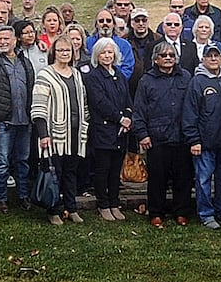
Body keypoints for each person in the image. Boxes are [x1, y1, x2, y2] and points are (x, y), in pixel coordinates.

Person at [133, 41, 193, 228]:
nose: (168, 58)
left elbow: (192, 106)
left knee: (183, 178)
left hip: (182, 136)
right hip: (157, 138)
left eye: (171, 55)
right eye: (164, 55)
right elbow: (139, 110)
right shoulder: (147, 80)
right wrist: (142, 134)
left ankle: (181, 212)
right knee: (157, 179)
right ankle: (156, 212)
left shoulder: (186, 77)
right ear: (155, 59)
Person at [32, 36, 90, 225]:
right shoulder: (45, 74)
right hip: (54, 134)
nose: (64, 53)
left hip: (75, 134)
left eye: (68, 50)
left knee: (71, 172)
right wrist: (43, 134)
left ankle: (71, 208)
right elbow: (38, 107)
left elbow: (83, 102)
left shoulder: (76, 74)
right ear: (53, 53)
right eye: (60, 50)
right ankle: (54, 209)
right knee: (55, 172)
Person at [0, 25, 35, 212]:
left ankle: (24, 196)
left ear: (15, 40)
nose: (2, 42)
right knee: (1, 162)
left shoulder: (24, 62)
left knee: (23, 161)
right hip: (2, 121)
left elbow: (31, 88)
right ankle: (0, 198)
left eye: (6, 39)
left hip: (24, 121)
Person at [182, 44, 221, 229]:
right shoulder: (197, 82)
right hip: (204, 143)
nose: (213, 59)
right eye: (209, 55)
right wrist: (193, 139)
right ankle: (206, 214)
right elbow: (189, 113)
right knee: (203, 179)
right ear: (203, 59)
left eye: (216, 55)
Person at [84, 38, 133, 221]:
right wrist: (119, 118)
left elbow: (128, 98)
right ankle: (103, 204)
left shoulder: (119, 74)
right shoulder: (93, 77)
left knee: (115, 170)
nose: (107, 55)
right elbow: (100, 102)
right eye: (103, 52)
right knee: (103, 169)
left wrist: (127, 116)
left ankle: (114, 202)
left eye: (110, 52)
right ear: (97, 55)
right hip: (103, 130)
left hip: (121, 131)